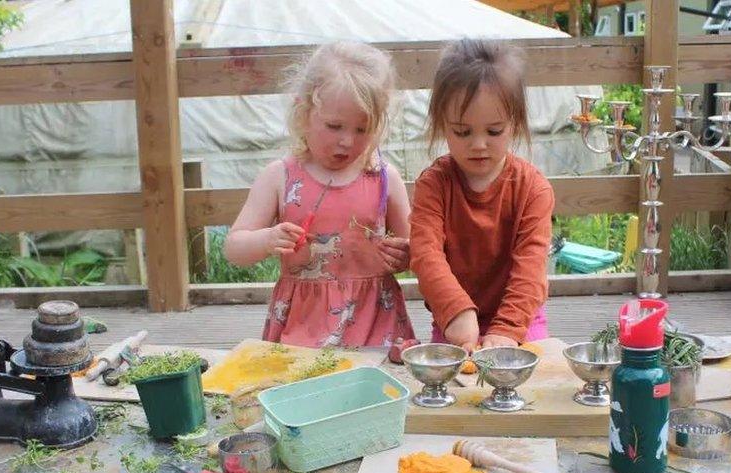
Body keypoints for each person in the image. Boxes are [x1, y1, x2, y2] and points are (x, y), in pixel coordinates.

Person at [224, 42, 415, 347]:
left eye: (362, 129)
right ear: (303, 112)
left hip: (375, 325)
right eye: (334, 126)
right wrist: (267, 239)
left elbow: (420, 250)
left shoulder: (383, 179)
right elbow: (234, 247)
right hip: (303, 329)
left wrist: (407, 255)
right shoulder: (280, 176)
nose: (347, 142)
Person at [410, 38, 554, 351]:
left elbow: (531, 268)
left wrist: (506, 329)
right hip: (454, 323)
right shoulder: (433, 185)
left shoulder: (533, 188)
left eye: (493, 131)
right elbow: (426, 255)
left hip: (521, 323)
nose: (478, 144)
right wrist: (456, 311)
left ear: (515, 124)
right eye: (462, 132)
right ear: (441, 124)